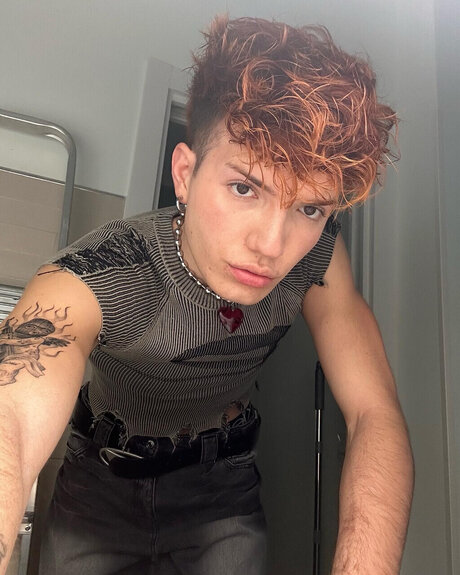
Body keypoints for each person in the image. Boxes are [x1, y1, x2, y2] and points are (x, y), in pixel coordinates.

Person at [0, 15, 414, 575]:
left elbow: (373, 412)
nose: (272, 246)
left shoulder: (318, 256)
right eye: (245, 187)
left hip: (222, 483)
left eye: (309, 208)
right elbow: (12, 417)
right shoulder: (97, 272)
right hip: (99, 481)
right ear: (185, 173)